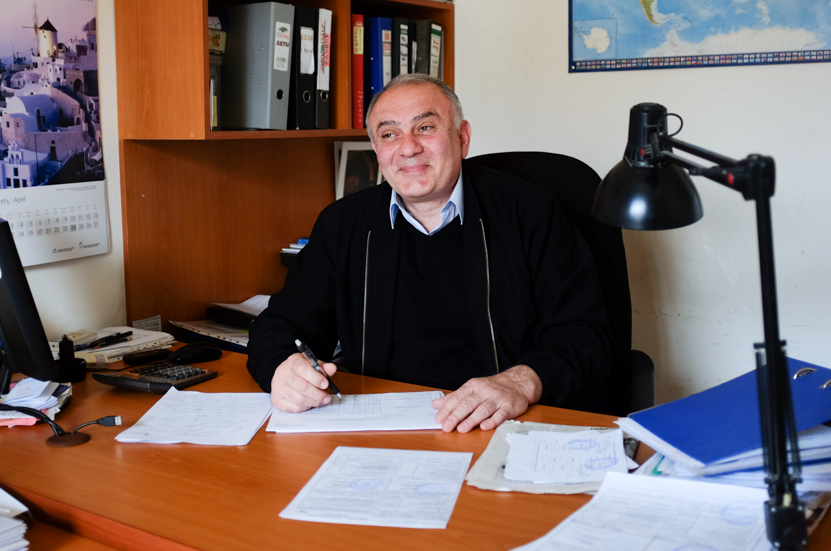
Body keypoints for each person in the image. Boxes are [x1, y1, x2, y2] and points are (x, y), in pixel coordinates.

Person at [247, 74, 612, 432]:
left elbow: (585, 334)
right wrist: (281, 367)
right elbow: (282, 324)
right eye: (389, 134)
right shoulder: (343, 224)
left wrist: (519, 383)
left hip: (502, 424)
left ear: (462, 138)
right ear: (376, 149)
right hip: (379, 427)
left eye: (425, 128)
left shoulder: (530, 212)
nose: (408, 148)